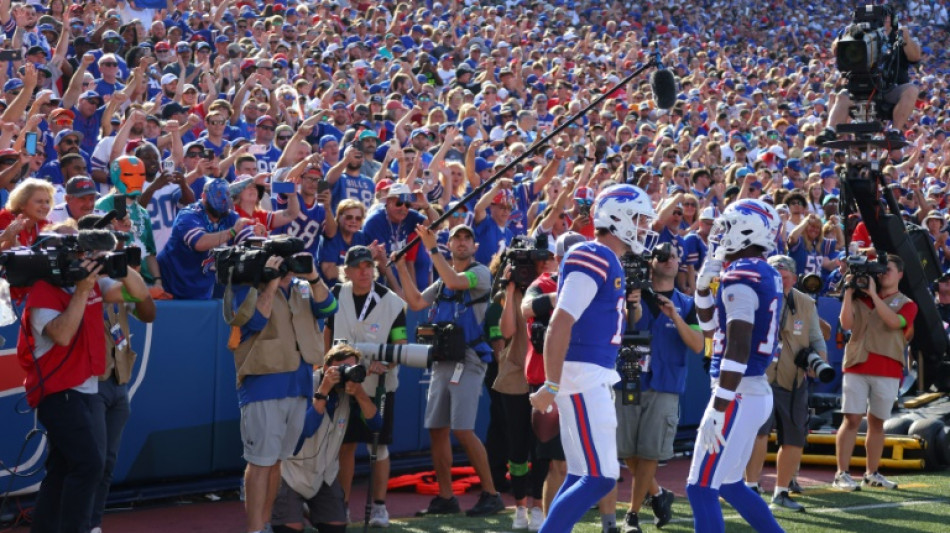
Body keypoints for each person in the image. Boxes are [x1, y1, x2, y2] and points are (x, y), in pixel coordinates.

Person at [528, 184, 658, 533]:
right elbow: (560, 321)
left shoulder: (606, 257)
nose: (644, 226)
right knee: (601, 477)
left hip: (590, 372)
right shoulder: (594, 254)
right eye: (640, 218)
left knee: (583, 474)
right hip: (583, 373)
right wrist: (551, 384)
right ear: (619, 217)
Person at [16, 227, 150, 533]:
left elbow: (139, 294)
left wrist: (116, 261)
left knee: (63, 468)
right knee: (89, 464)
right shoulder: (44, 292)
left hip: (86, 390)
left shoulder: (91, 284)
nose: (82, 259)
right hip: (57, 392)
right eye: (77, 254)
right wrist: (80, 291)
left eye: (84, 253)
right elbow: (62, 336)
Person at [686, 199, 785, 533]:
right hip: (752, 392)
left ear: (747, 229)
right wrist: (702, 289)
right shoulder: (762, 269)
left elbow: (738, 345)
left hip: (738, 394)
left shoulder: (742, 275)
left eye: (727, 226)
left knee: (700, 488)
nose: (720, 234)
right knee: (729, 484)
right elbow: (712, 328)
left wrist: (719, 405)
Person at [393, 223, 505, 518]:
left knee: (463, 429)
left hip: (468, 358)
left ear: (475, 246)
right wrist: (400, 267)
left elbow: (456, 282)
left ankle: (491, 494)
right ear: (451, 244)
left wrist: (431, 249)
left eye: (468, 238)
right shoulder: (443, 279)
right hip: (443, 358)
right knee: (436, 429)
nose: (462, 243)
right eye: (457, 238)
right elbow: (415, 302)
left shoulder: (479, 273)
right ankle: (445, 497)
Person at [228, 244, 337, 533]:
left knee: (278, 461)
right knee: (260, 461)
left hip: (298, 385)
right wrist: (272, 280)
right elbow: (253, 320)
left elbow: (329, 307)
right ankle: (254, 529)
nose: (291, 265)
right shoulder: (248, 285)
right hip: (263, 384)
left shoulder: (304, 287)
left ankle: (265, 525)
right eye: (285, 259)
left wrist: (313, 276)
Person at [607, 242, 704, 533]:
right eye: (662, 255)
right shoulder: (632, 294)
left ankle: (632, 515)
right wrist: (632, 304)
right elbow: (628, 327)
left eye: (674, 256)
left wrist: (674, 314)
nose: (669, 260)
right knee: (627, 450)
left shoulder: (688, 305)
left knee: (649, 452)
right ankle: (658, 494)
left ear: (680, 264)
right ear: (651, 262)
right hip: (631, 375)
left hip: (666, 382)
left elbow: (698, 345)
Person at [80, 215, 158, 533]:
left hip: (118, 380)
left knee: (108, 462)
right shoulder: (87, 278)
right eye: (110, 245)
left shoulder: (121, 276)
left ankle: (93, 523)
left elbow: (149, 312)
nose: (117, 250)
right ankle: (77, 522)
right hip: (90, 382)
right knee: (89, 462)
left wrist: (125, 269)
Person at [323, 245, 408, 528]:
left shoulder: (392, 302)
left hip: (379, 387)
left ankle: (380, 507)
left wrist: (386, 364)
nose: (364, 271)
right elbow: (326, 333)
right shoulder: (335, 295)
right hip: (341, 386)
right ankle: (343, 506)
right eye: (358, 266)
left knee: (379, 447)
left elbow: (400, 345)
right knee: (344, 446)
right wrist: (327, 367)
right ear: (346, 271)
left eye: (368, 265)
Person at [744, 255, 827, 513]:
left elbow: (816, 337)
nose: (780, 281)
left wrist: (819, 363)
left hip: (793, 378)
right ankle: (751, 487)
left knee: (794, 437)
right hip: (760, 377)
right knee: (757, 433)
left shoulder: (805, 302)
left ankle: (781, 492)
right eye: (775, 275)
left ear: (793, 278)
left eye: (785, 276)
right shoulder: (754, 297)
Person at [270, 343, 381, 533]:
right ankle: (293, 509)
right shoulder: (306, 383)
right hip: (291, 472)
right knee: (289, 529)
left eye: (352, 368)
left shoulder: (351, 392)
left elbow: (377, 426)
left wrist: (361, 394)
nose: (347, 374)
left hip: (324, 475)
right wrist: (324, 390)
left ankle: (308, 509)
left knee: (335, 528)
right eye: (343, 368)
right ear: (328, 367)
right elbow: (305, 429)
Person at [834, 253, 916, 491]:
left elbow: (894, 323)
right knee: (851, 418)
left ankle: (872, 473)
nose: (882, 274)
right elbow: (846, 324)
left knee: (877, 423)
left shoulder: (908, 303)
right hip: (857, 363)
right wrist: (849, 293)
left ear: (900, 274)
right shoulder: (861, 297)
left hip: (888, 367)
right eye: (880, 270)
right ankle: (842, 473)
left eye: (887, 269)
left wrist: (872, 295)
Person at [521, 232, 587, 520]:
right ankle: (551, 522)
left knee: (580, 463)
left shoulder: (592, 285)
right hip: (547, 382)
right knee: (555, 463)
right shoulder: (544, 283)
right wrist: (558, 297)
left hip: (580, 380)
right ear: (558, 260)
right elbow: (525, 308)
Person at [820, 6, 921, 142]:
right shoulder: (857, 33)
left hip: (888, 88)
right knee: (842, 97)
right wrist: (848, 35)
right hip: (858, 88)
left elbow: (915, 57)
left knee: (911, 89)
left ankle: (895, 131)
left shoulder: (897, 36)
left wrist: (905, 38)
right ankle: (829, 131)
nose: (880, 21)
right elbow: (835, 50)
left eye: (884, 18)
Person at [156, 179, 264, 299]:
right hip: (173, 282)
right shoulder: (188, 215)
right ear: (204, 197)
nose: (220, 211)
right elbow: (199, 243)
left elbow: (248, 239)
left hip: (202, 283)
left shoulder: (229, 215)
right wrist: (232, 232)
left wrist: (257, 237)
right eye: (217, 197)